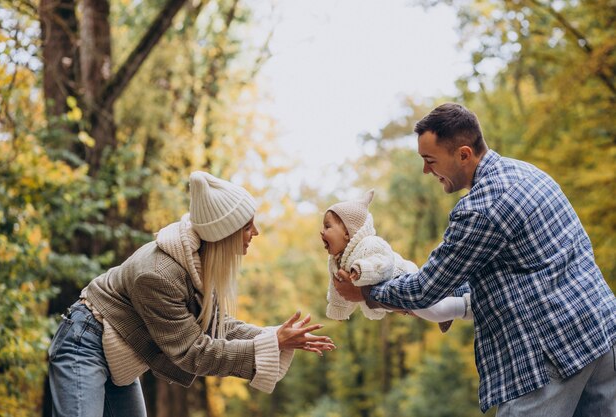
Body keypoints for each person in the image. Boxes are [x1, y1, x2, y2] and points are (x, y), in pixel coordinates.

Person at [333, 103, 616, 415]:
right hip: (601, 334)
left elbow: (426, 288)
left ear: (463, 154)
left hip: (553, 352)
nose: (426, 170)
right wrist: (451, 298)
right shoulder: (529, 174)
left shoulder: (482, 208)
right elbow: (508, 267)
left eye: (430, 160)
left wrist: (367, 294)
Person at [47, 171, 336, 417]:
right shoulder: (159, 274)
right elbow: (191, 351)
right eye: (248, 226)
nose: (256, 232)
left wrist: (277, 337)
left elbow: (220, 328)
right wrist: (271, 342)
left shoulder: (196, 262)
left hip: (117, 353)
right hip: (84, 343)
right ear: (225, 233)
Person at [321, 189, 472, 332]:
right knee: (427, 311)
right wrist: (338, 311)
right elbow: (337, 289)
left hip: (405, 278)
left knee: (435, 312)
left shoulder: (369, 244)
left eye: (327, 226)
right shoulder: (335, 262)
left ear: (347, 233)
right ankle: (449, 300)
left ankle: (466, 305)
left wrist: (361, 269)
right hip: (392, 296)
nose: (322, 231)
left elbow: (383, 262)